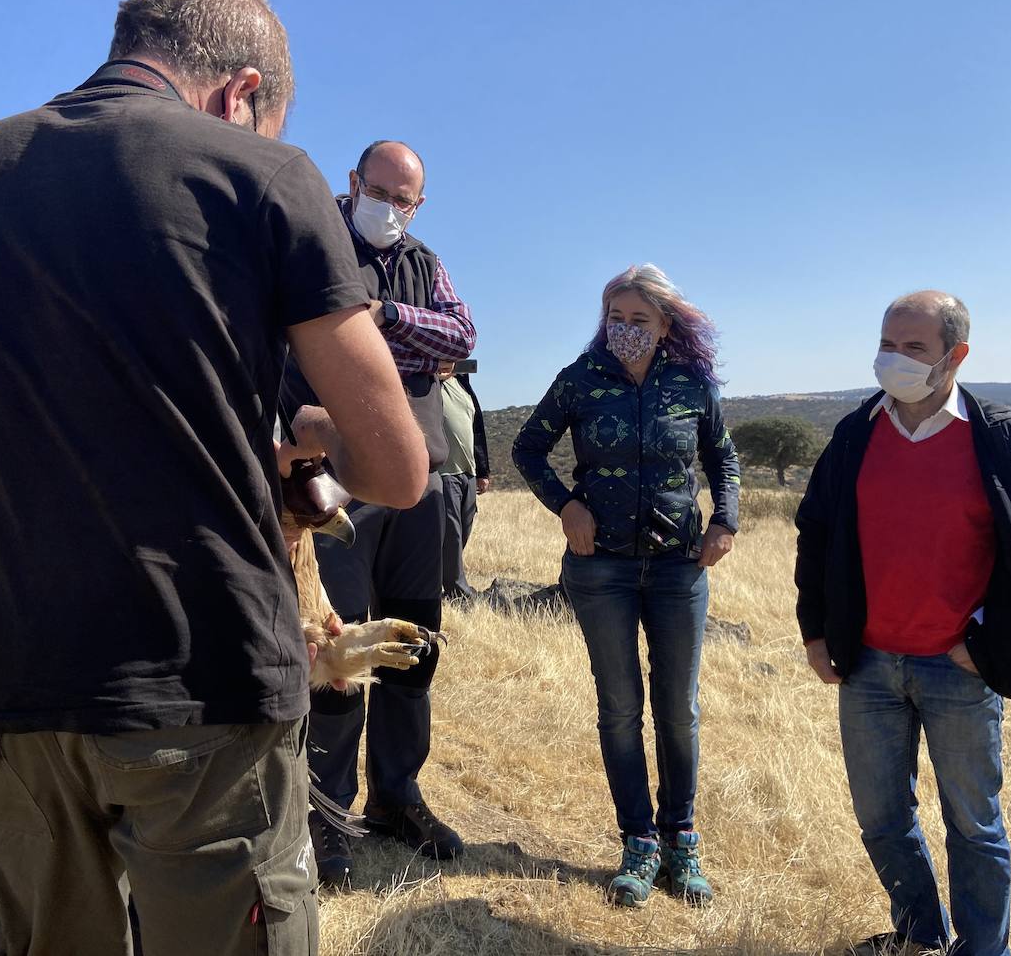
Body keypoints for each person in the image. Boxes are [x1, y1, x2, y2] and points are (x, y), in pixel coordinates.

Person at [0, 0, 428, 956]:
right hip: (199, 682)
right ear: (241, 94)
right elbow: (398, 469)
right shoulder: (261, 174)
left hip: (2, 686)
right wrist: (314, 434)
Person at [794, 291, 1011, 956]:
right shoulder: (856, 432)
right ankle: (922, 934)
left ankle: (984, 951)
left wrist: (989, 636)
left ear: (956, 356)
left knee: (974, 826)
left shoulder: (999, 436)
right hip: (866, 665)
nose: (893, 358)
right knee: (882, 819)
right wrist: (815, 629)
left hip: (958, 669)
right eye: (887, 343)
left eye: (913, 347)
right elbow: (816, 530)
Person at [512, 264, 739, 909]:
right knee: (618, 706)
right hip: (601, 568)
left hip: (677, 567)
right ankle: (638, 842)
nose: (627, 330)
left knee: (679, 708)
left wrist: (725, 519)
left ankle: (681, 839)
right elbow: (529, 449)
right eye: (617, 318)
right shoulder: (580, 379)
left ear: (666, 324)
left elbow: (721, 455)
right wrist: (566, 505)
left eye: (640, 320)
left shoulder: (691, 383)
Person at [280, 140, 476, 887]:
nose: (391, 207)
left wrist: (385, 315)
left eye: (406, 198)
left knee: (413, 642)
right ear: (352, 181)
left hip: (418, 482)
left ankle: (399, 795)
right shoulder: (311, 241)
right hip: (335, 484)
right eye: (380, 189)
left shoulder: (425, 261)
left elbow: (460, 335)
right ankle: (328, 818)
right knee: (335, 651)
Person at [437, 362, 490, 601]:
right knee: (452, 533)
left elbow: (476, 430)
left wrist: (482, 471)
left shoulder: (464, 386)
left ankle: (446, 578)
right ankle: (457, 590)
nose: (444, 364)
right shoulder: (427, 389)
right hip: (443, 473)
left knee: (464, 528)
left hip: (467, 472)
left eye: (450, 358)